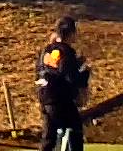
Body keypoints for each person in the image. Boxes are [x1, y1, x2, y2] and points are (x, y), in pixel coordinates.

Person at [36, 16, 90, 151]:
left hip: (44, 96)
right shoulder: (67, 51)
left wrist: (76, 63)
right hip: (60, 99)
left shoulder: (47, 50)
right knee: (75, 129)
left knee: (49, 137)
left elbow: (52, 69)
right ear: (70, 33)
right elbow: (71, 78)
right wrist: (85, 73)